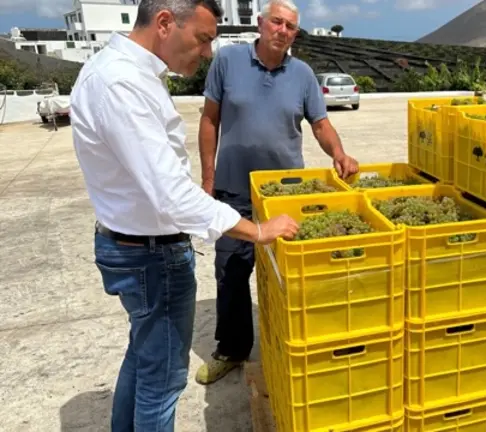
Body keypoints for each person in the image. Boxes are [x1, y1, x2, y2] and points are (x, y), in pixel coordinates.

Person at [69, 0, 298, 430]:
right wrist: (258, 229)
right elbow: (172, 195)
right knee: (162, 383)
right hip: (150, 255)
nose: (208, 52)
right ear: (164, 23)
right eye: (203, 38)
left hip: (134, 244)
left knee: (143, 360)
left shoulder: (117, 72)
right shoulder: (122, 84)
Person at [195, 0, 359, 385]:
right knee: (232, 271)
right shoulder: (228, 61)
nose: (282, 30)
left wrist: (338, 152)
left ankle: (293, 341)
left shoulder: (302, 74)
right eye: (277, 22)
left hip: (287, 195)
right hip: (234, 190)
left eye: (290, 26)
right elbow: (209, 119)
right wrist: (207, 179)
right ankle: (233, 349)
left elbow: (320, 124)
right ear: (261, 23)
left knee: (290, 274)